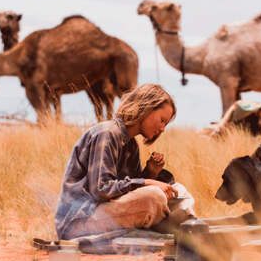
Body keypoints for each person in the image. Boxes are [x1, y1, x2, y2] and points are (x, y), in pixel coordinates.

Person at [55, 84, 196, 240]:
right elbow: (101, 190)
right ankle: (176, 228)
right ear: (146, 108)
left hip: (103, 213)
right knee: (154, 195)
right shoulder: (107, 134)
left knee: (179, 191)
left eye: (165, 124)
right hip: (79, 220)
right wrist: (147, 182)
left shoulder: (131, 144)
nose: (162, 129)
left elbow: (131, 191)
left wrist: (151, 173)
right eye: (162, 120)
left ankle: (188, 229)